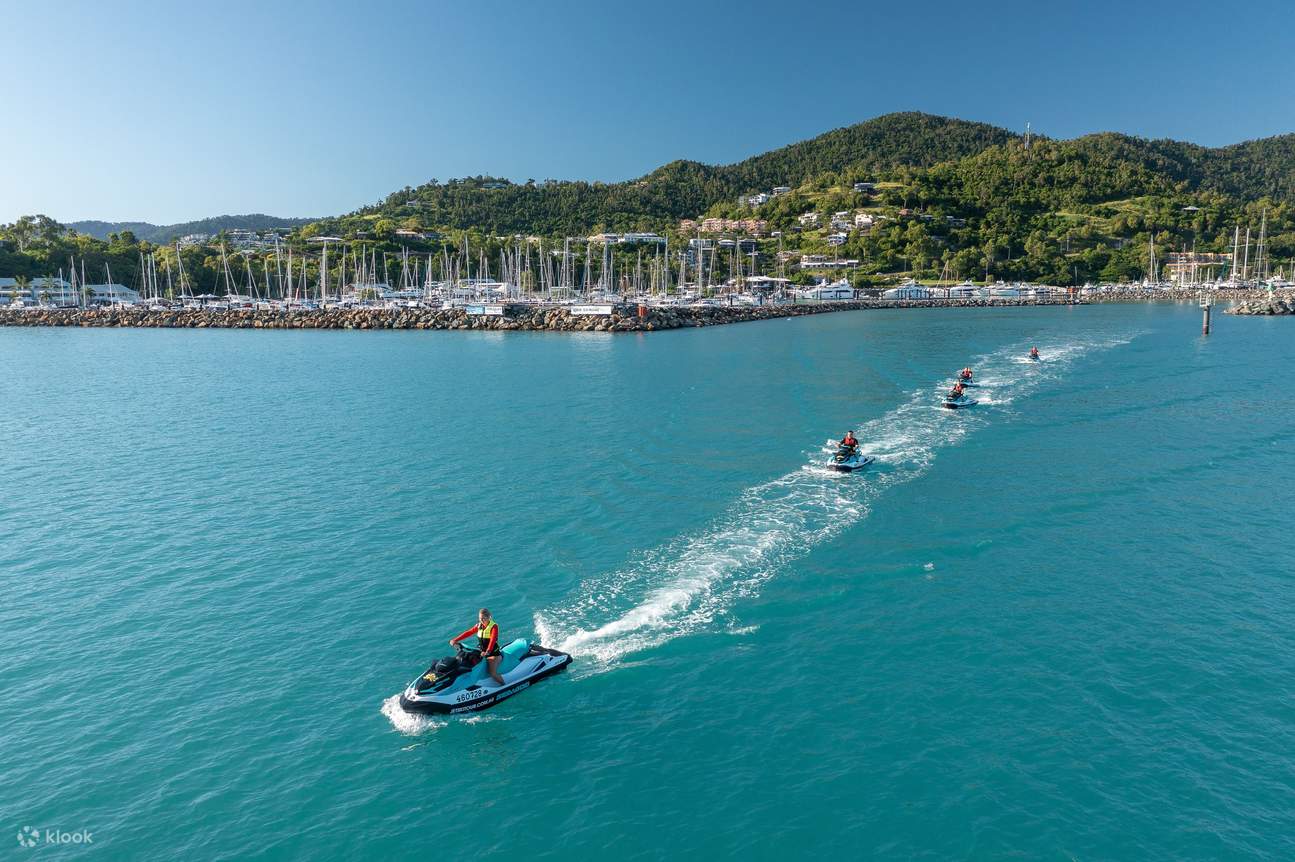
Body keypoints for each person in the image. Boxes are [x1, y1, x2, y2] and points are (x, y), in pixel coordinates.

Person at [451, 608, 505, 687]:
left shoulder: (494, 627)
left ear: (489, 617)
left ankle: (503, 685)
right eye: (480, 618)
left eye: (483, 618)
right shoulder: (479, 625)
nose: (481, 620)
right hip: (482, 652)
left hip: (493, 654)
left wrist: (488, 651)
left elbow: (492, 640)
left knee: (492, 672)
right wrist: (455, 640)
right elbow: (468, 632)